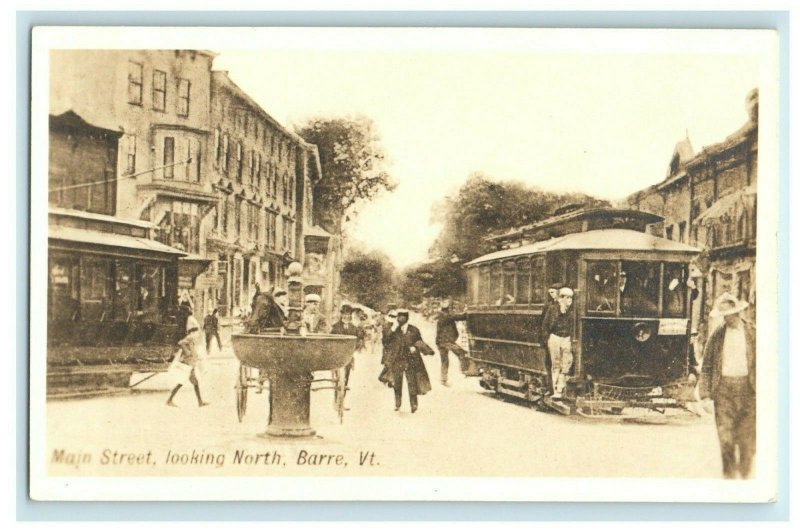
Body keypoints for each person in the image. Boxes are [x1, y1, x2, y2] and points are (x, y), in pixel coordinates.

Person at [700, 294, 756, 480]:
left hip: (748, 390)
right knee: (726, 439)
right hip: (723, 390)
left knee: (746, 439)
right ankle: (730, 480)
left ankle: (746, 479)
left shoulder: (753, 333)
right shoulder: (717, 335)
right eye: (724, 315)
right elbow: (707, 366)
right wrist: (705, 396)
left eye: (730, 315)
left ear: (738, 313)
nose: (727, 318)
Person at [383, 309, 432, 413]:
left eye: (403, 317)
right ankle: (397, 403)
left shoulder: (414, 330)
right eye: (399, 317)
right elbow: (386, 341)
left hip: (410, 360)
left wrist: (416, 347)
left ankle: (414, 405)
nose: (400, 319)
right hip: (398, 360)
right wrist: (391, 328)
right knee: (397, 383)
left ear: (407, 318)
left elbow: (419, 341)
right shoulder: (394, 330)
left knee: (412, 382)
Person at [166, 315, 209, 407]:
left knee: (194, 383)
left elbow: (192, 350)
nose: (197, 334)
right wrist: (188, 352)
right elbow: (181, 343)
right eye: (196, 332)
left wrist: (195, 355)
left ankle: (200, 402)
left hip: (190, 364)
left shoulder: (192, 339)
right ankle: (169, 400)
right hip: (187, 365)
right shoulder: (189, 337)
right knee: (182, 382)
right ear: (192, 332)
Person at [541, 287, 574, 399]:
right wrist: (547, 339)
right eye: (567, 297)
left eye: (571, 297)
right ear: (561, 298)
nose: (569, 300)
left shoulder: (571, 310)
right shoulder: (552, 309)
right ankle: (554, 390)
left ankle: (560, 389)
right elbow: (545, 325)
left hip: (566, 338)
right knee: (556, 364)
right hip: (554, 337)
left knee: (566, 365)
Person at [435, 300, 468, 386]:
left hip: (440, 342)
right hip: (447, 342)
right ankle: (465, 370)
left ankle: (443, 380)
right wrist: (467, 312)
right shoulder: (446, 316)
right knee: (461, 353)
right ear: (447, 309)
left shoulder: (441, 316)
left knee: (444, 361)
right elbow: (459, 317)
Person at [540, 282, 563, 394]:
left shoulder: (564, 306)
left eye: (553, 292)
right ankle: (551, 388)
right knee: (550, 363)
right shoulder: (549, 305)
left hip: (559, 338)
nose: (551, 295)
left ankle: (556, 389)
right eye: (550, 293)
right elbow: (543, 322)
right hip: (551, 338)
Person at [330, 304, 358, 385]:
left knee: (346, 376)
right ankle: (337, 388)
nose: (346, 316)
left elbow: (357, 341)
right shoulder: (335, 327)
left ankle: (343, 393)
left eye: (348, 314)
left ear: (350, 315)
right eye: (344, 314)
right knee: (338, 376)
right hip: (337, 353)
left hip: (348, 355)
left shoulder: (354, 328)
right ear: (341, 315)